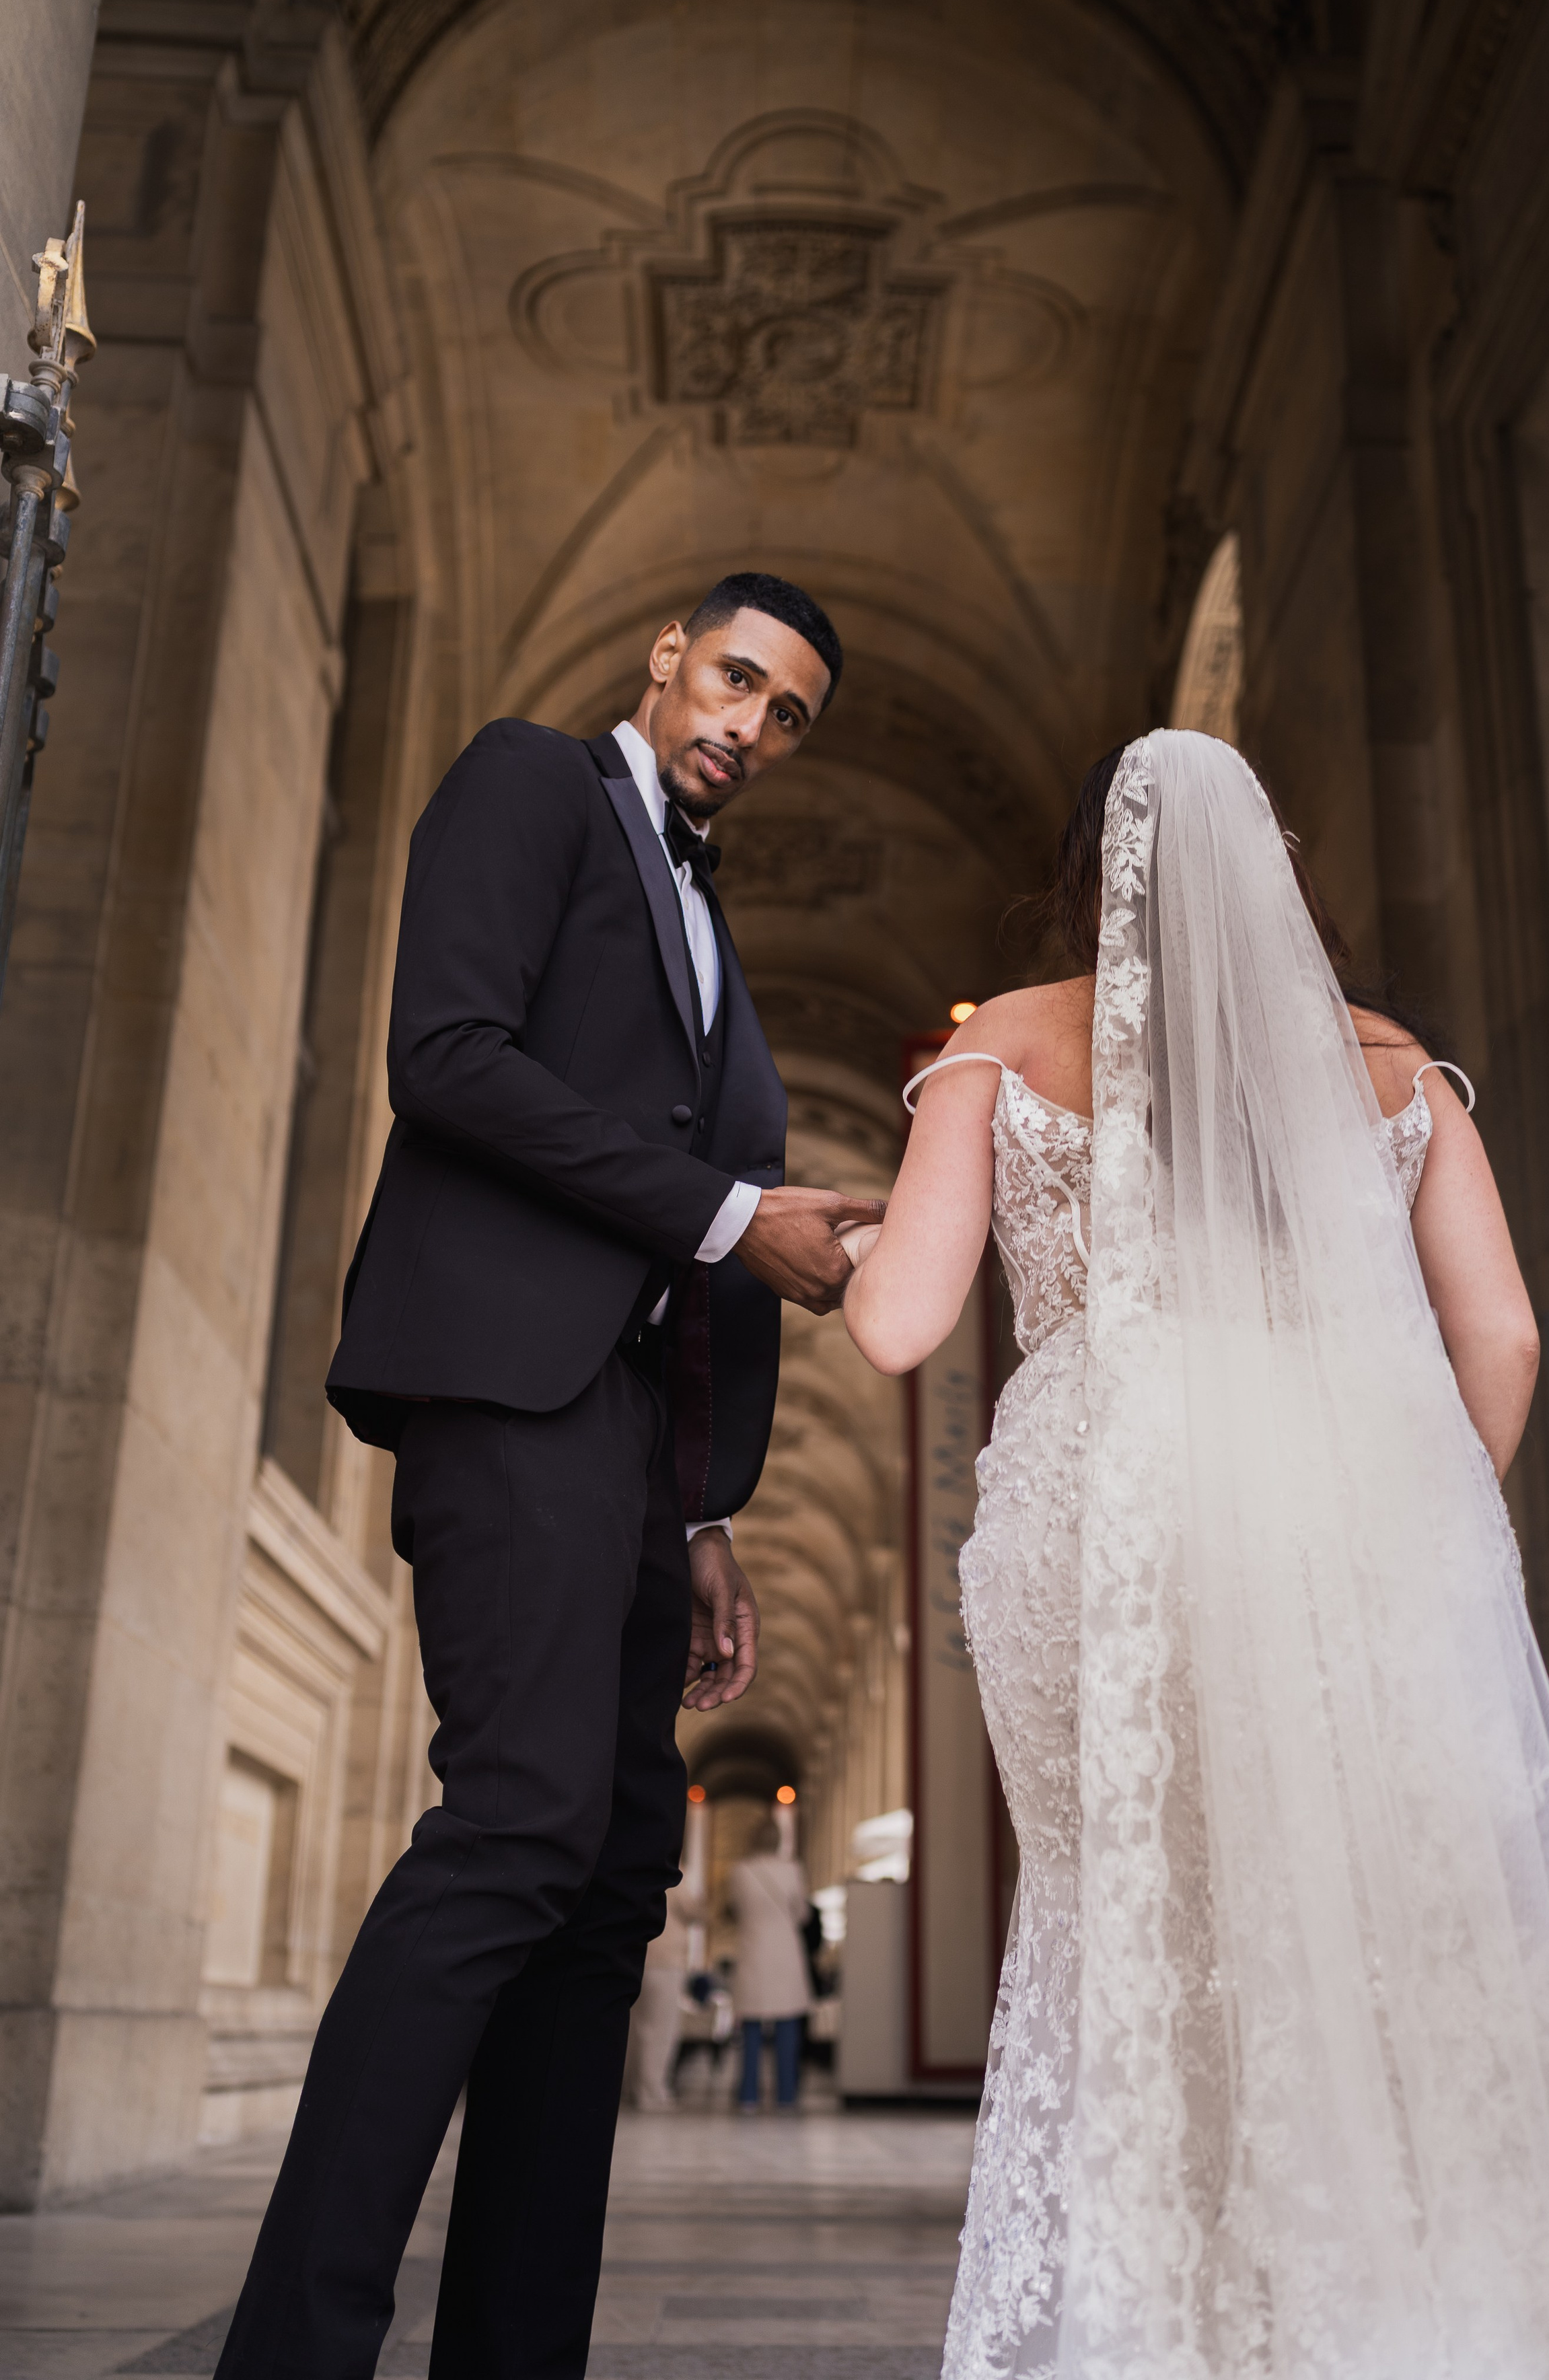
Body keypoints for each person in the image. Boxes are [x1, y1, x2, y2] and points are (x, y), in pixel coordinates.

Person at [840, 730, 1549, 2378]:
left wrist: (851, 1243)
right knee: (1345, 1921)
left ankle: (1156, 2321)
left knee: (1126, 1917)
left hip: (1093, 1529)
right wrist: (1410, 1522)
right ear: (1271, 864)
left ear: (1093, 869)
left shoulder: (1003, 1045)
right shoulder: (1382, 1066)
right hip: (1340, 1519)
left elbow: (899, 1325)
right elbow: (1504, 1339)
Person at [215, 573, 883, 2377]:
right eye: (735, 677)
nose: (749, 724)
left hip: (638, 1447)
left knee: (607, 1889)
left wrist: (706, 1513)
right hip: (505, 1391)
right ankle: (290, 2352)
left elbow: (678, 1215)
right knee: (513, 1829)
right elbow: (444, 1057)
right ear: (670, 653)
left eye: (788, 714)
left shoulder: (709, 921)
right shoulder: (528, 780)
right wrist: (736, 1214)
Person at [727, 1813, 811, 2112]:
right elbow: (802, 1913)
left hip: (753, 1950)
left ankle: (748, 2093)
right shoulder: (793, 1870)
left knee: (750, 2026)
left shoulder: (740, 1871)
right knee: (787, 2025)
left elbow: (734, 1909)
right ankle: (786, 2094)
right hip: (785, 1953)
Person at [623, 1883, 694, 2110]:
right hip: (665, 1962)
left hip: (638, 1958)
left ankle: (631, 2089)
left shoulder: (636, 1873)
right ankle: (651, 2092)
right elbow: (696, 1911)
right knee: (661, 2030)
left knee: (637, 2028)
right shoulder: (674, 1879)